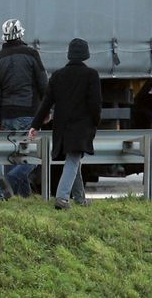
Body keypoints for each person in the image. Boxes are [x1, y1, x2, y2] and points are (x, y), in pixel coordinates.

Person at [29, 38, 101, 210]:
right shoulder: (91, 75)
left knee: (74, 159)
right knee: (74, 159)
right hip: (81, 126)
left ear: (69, 54)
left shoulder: (58, 75)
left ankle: (80, 198)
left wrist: (36, 125)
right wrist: (95, 121)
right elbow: (95, 104)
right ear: (86, 54)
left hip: (61, 127)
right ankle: (62, 198)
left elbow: (46, 103)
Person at [0, 18, 49, 200]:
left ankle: (23, 198)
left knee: (13, 155)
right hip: (28, 113)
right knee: (32, 156)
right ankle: (10, 181)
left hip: (7, 115)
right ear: (21, 33)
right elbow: (43, 85)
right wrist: (45, 111)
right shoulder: (31, 55)